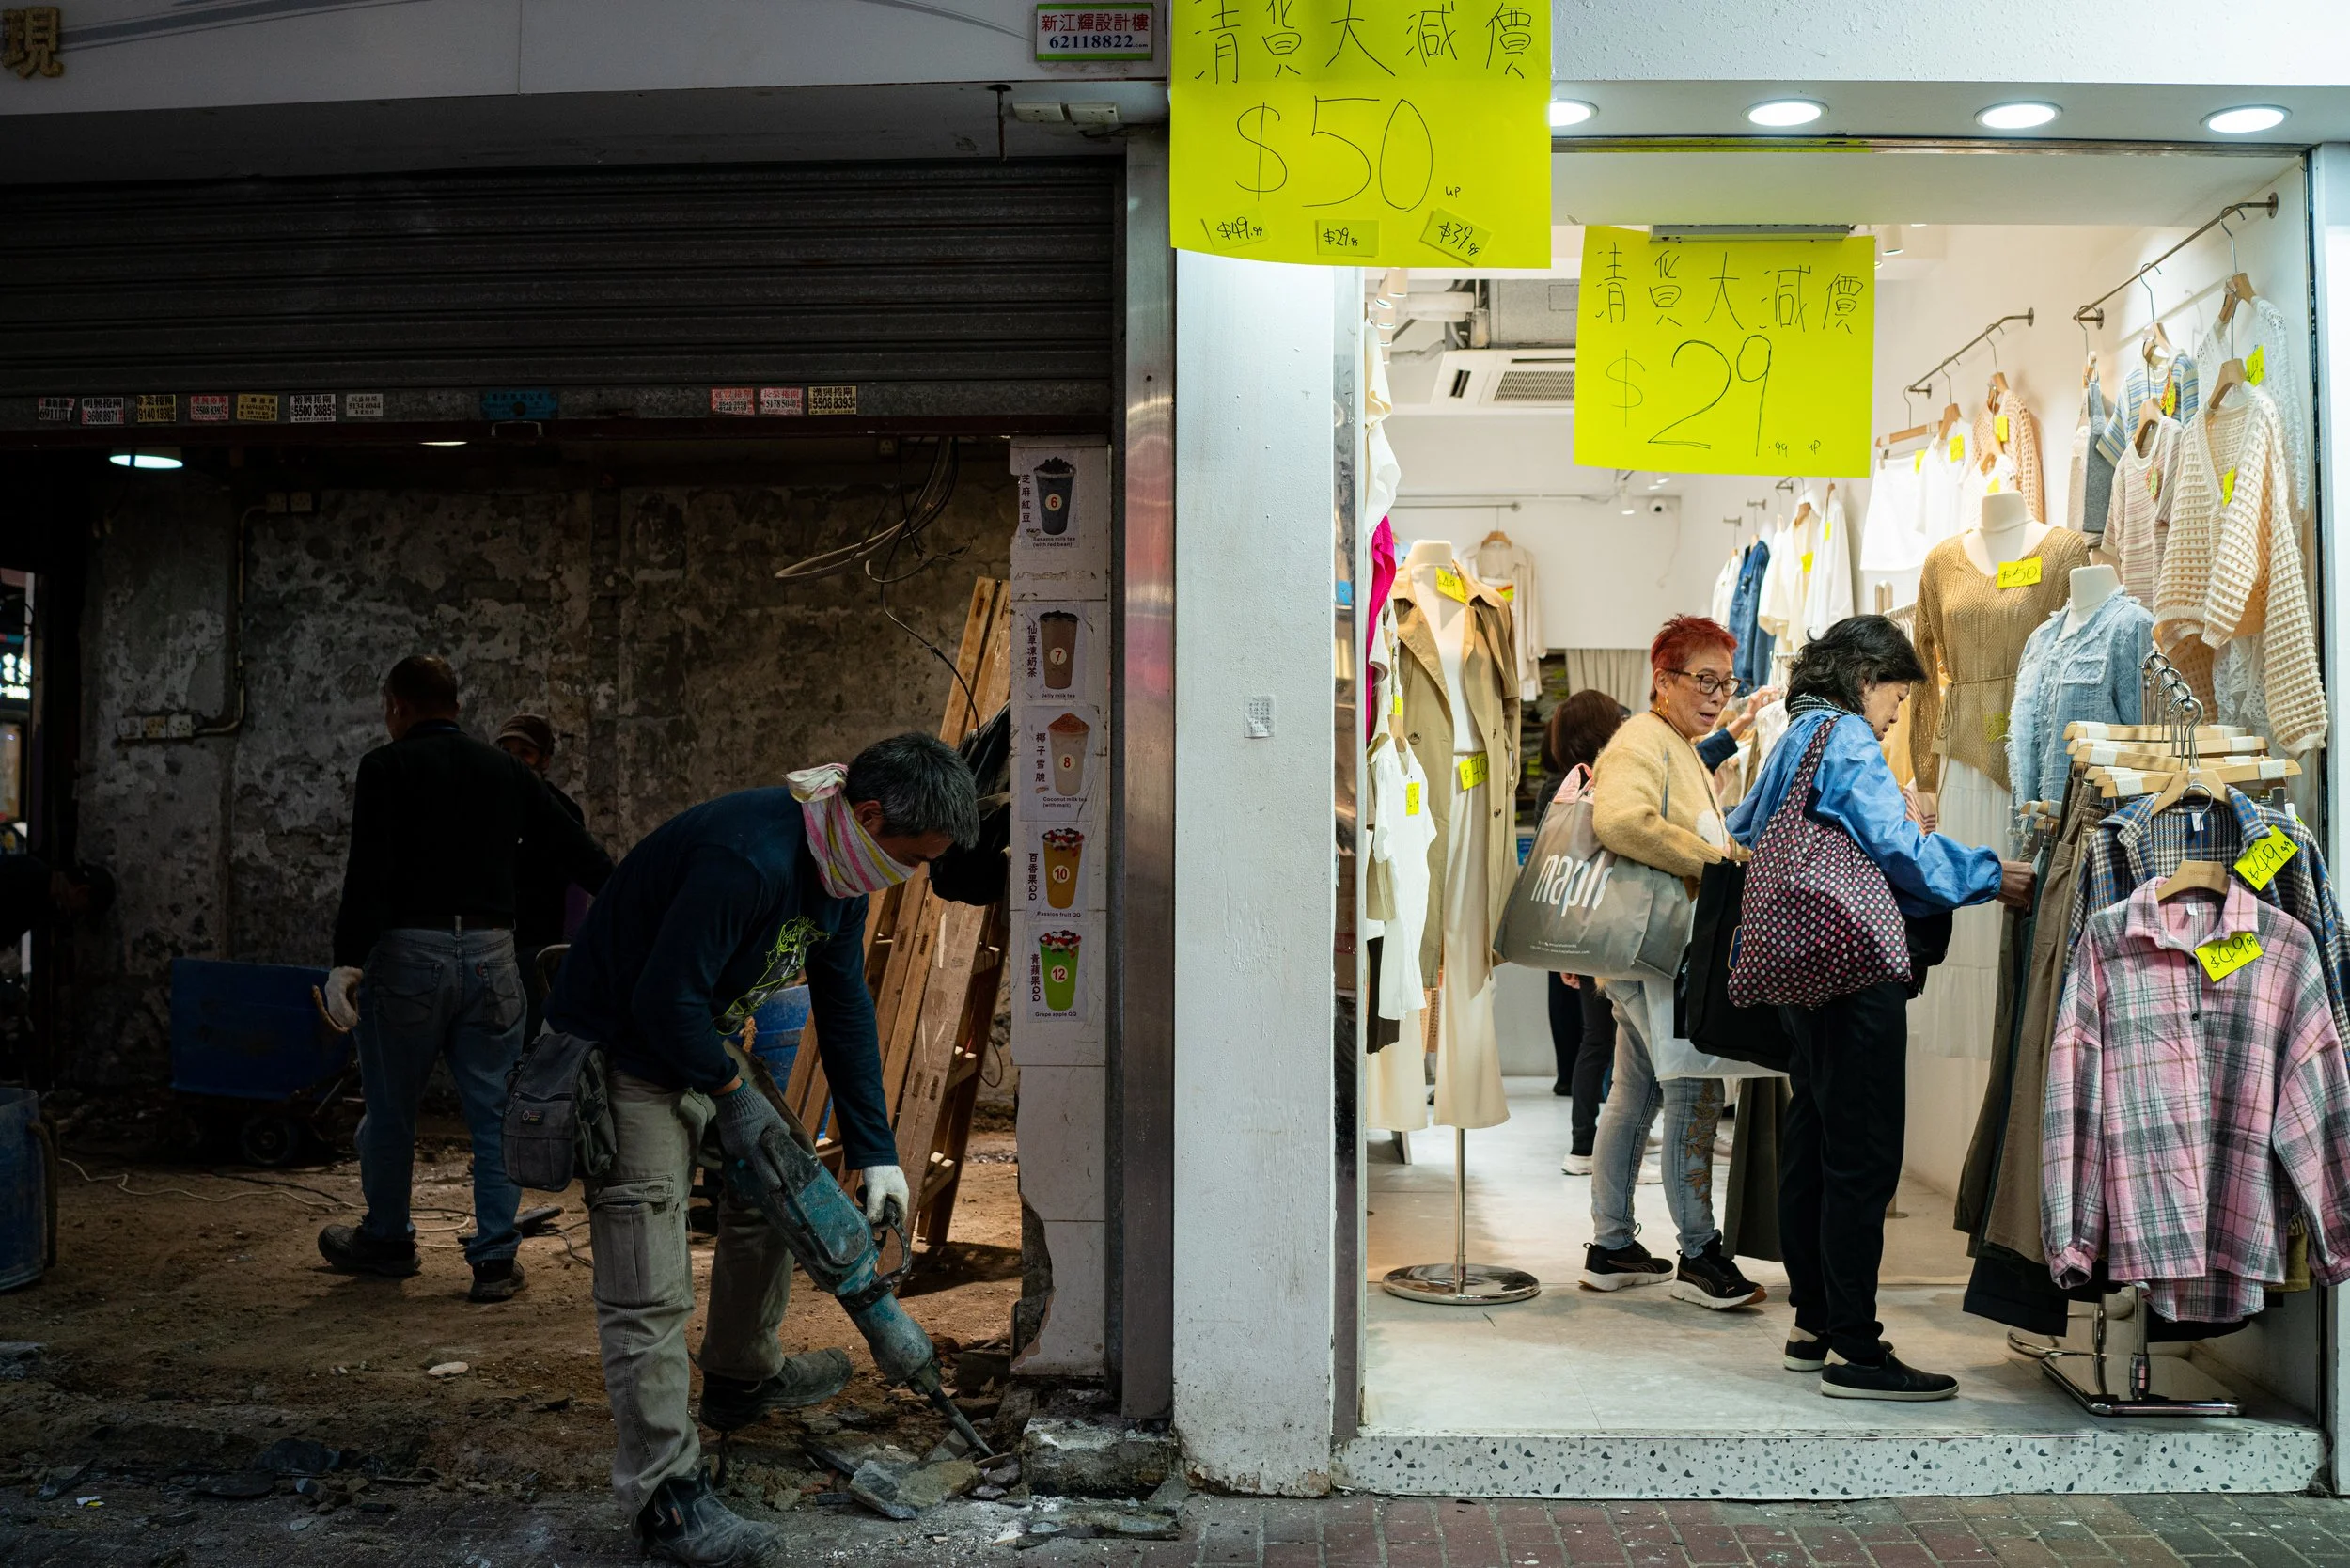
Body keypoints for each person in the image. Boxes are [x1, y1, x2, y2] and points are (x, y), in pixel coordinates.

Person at [542, 731, 978, 1566]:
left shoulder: (843, 866)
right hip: (627, 1048)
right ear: (872, 815)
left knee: (777, 1195)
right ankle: (665, 1498)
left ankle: (742, 1374)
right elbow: (660, 999)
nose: (918, 873)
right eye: (916, 858)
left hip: (697, 1033)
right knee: (648, 1280)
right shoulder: (746, 860)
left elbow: (843, 998)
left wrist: (875, 1148)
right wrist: (733, 1094)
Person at [1727, 615, 2034, 1402]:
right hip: (1855, 968)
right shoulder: (1851, 739)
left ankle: (1813, 1325)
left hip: (1798, 967)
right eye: (1895, 698)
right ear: (1867, 678)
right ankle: (1859, 1353)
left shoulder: (1795, 734)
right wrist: (1990, 873)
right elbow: (1901, 853)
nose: (1895, 716)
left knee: (1815, 1142)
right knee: (1863, 1158)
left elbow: (1744, 826)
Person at [316, 656, 615, 1303]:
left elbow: (367, 867)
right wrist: (634, 912)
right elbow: (579, 852)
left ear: (397, 705)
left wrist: (346, 960)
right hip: (491, 955)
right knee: (493, 1113)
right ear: (455, 704)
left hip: (407, 954)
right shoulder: (505, 770)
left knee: (392, 1110)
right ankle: (494, 1262)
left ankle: (389, 1241)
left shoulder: (386, 767)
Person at [1583, 616, 1763, 1310]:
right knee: (1693, 1090)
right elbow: (1620, 821)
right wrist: (1717, 867)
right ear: (1664, 681)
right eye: (1705, 680)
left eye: (1726, 681)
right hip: (1661, 955)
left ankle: (1612, 1245)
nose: (1717, 694)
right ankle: (1699, 1254)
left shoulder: (1674, 743)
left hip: (1655, 954)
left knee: (1635, 1096)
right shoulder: (1643, 741)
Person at [1539, 690, 1624, 1175]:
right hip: (1604, 925)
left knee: (1599, 1040)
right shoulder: (1599, 785)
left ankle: (1584, 1144)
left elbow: (1548, 870)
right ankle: (1591, 1144)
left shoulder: (1555, 786)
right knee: (1614, 1041)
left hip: (1572, 927)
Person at [496, 713, 588, 1032]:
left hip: (539, 950)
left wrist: (566, 947)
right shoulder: (489, 808)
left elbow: (578, 881)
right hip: (491, 947)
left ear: (545, 760)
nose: (514, 760)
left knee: (534, 1040)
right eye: (507, 751)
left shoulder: (561, 810)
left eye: (526, 752)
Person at [0, 855, 114, 946]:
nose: (74, 916)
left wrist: (12, 968)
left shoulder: (41, 894)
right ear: (82, 892)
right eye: (82, 911)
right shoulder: (32, 881)